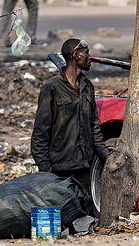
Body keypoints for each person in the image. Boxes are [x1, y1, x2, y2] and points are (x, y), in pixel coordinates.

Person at [31, 38, 110, 193]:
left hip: (85, 167)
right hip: (60, 169)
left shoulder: (87, 86)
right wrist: (46, 171)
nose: (90, 57)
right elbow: (40, 133)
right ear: (75, 55)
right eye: (86, 53)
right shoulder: (51, 88)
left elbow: (94, 126)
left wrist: (106, 156)